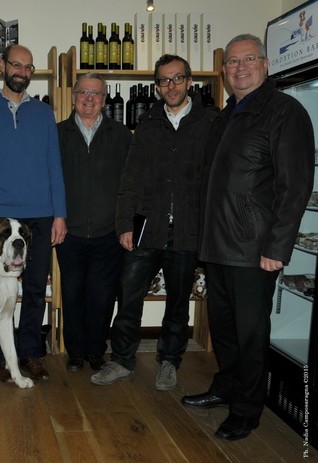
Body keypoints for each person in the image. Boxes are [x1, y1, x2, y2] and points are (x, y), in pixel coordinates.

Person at [182, 34, 314, 441]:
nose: (240, 67)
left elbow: (295, 187)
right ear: (224, 72)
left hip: (254, 249)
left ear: (265, 64)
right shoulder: (226, 115)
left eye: (248, 59)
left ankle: (247, 410)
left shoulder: (284, 112)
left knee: (250, 332)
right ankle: (226, 387)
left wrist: (277, 249)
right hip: (219, 245)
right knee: (222, 327)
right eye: (233, 62)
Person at [91, 54, 222, 391]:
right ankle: (121, 360)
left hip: (188, 231)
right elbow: (130, 178)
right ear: (157, 86)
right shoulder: (148, 124)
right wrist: (124, 225)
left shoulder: (210, 122)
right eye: (164, 80)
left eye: (177, 79)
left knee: (179, 302)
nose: (171, 86)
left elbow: (217, 179)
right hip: (148, 226)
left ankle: (169, 361)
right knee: (129, 294)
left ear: (190, 81)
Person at [0, 44, 67, 382]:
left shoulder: (43, 114)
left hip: (40, 218)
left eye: (28, 67)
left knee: (36, 288)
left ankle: (29, 353)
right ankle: (3, 360)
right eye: (16, 65)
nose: (22, 72)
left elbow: (55, 166)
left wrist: (60, 214)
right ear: (2, 65)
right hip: (0, 220)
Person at [56, 73, 131, 372]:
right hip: (68, 231)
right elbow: (50, 181)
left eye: (96, 94)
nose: (89, 98)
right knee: (72, 293)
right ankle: (75, 353)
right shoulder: (57, 134)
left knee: (102, 296)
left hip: (107, 232)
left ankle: (97, 351)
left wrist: (125, 224)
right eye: (84, 93)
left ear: (104, 99)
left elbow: (130, 185)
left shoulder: (122, 135)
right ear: (73, 97)